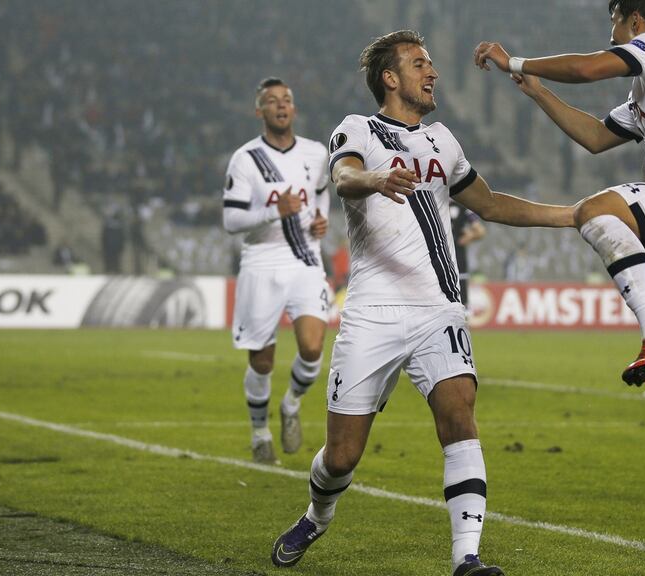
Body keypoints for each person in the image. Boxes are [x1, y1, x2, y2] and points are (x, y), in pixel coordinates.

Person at [270, 30, 574, 576]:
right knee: (341, 457)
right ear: (391, 78)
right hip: (373, 312)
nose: (431, 72)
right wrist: (376, 176)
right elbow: (344, 179)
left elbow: (493, 204)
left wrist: (571, 215)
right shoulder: (356, 128)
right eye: (419, 63)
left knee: (459, 416)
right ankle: (318, 515)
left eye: (430, 63)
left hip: (440, 310)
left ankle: (467, 558)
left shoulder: (443, 140)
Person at [474, 1, 645, 574]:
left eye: (613, 20)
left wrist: (516, 57)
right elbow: (595, 136)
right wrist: (536, 91)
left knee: (600, 210)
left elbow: (593, 67)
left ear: (634, 19)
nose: (610, 32)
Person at [222, 77, 331, 464]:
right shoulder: (246, 159)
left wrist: (321, 219)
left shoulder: (316, 153)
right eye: (272, 101)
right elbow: (231, 219)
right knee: (262, 360)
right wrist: (274, 210)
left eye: (287, 100)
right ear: (260, 111)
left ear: (294, 109)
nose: (281, 105)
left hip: (304, 258)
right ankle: (259, 433)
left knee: (313, 347)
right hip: (261, 262)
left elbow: (320, 191)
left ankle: (290, 406)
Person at [450, 202, 485, 307]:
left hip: (455, 257)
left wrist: (469, 236)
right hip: (452, 257)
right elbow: (479, 231)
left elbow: (480, 231)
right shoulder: (462, 206)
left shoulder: (462, 206)